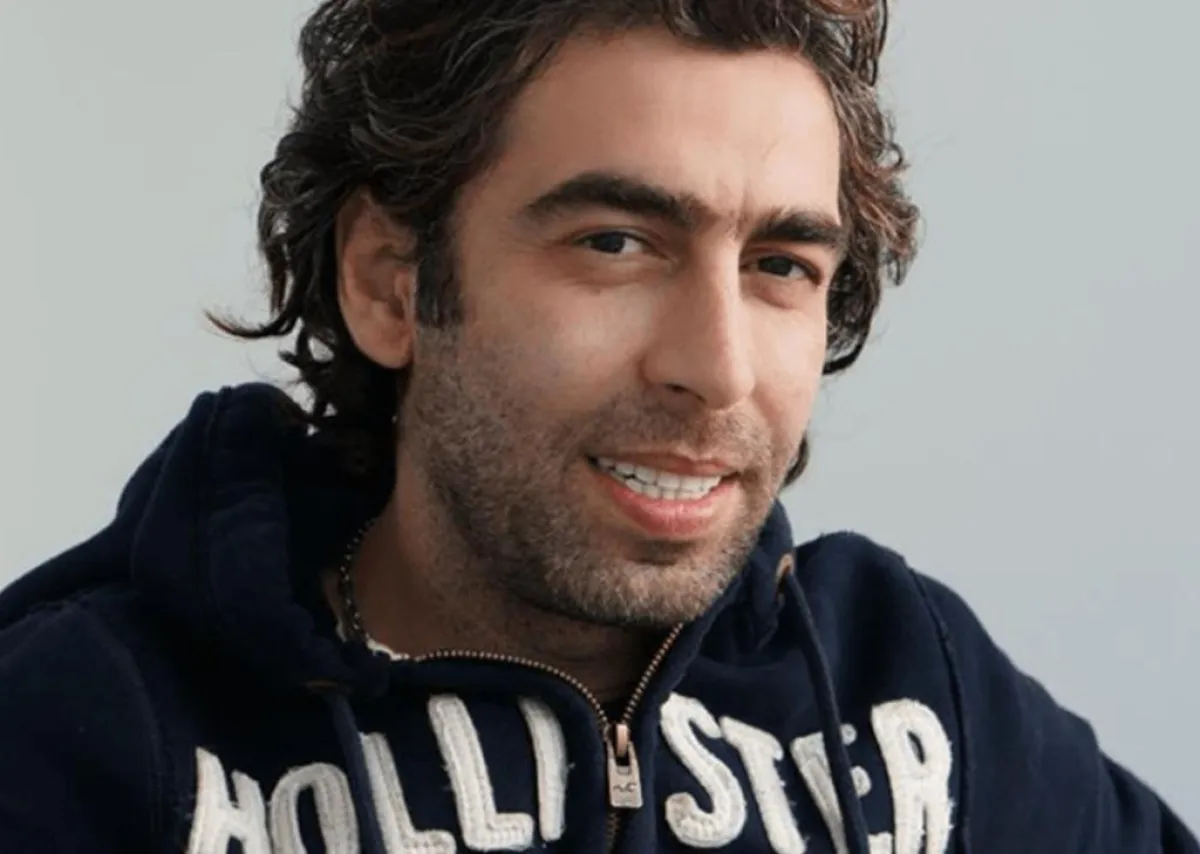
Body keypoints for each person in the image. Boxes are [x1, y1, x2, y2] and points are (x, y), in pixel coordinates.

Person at [0, 0, 1194, 851]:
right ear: (388, 281)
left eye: (780, 263)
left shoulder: (911, 691)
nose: (715, 368)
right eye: (616, 244)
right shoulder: (88, 732)